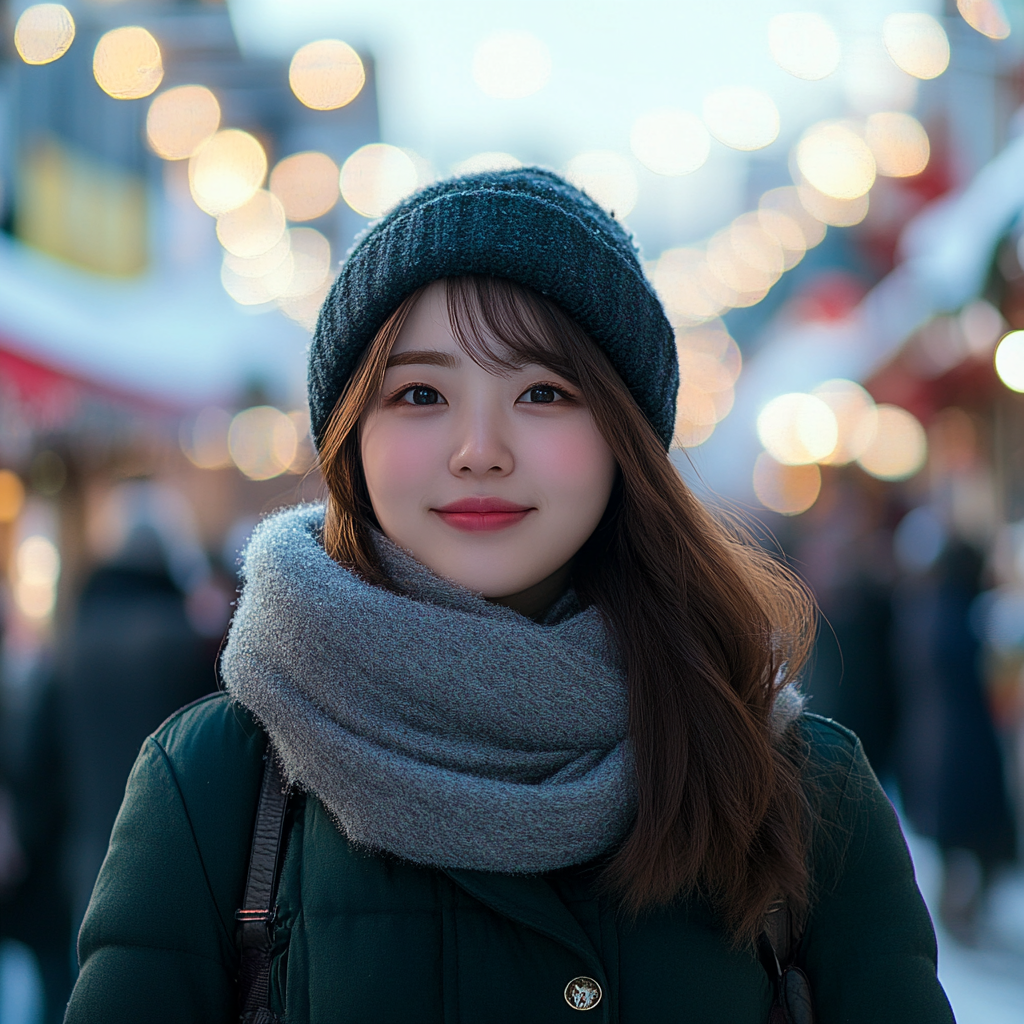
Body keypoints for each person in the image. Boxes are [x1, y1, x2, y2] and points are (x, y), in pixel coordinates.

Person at [64, 169, 954, 1023]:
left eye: (542, 391)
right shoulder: (215, 783)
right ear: (352, 439)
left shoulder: (798, 787)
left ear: (623, 437)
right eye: (420, 393)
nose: (479, 449)